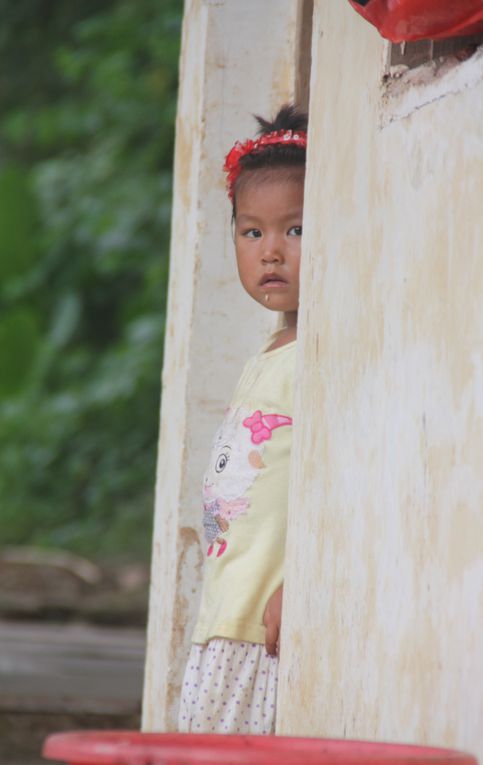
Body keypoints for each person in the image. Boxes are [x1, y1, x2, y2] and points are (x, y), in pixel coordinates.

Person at [178, 103, 307, 735]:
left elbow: (331, 481)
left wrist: (300, 582)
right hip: (224, 616)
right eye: (252, 233)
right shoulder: (269, 352)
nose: (272, 252)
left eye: (297, 230)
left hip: (263, 625)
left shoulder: (321, 354)